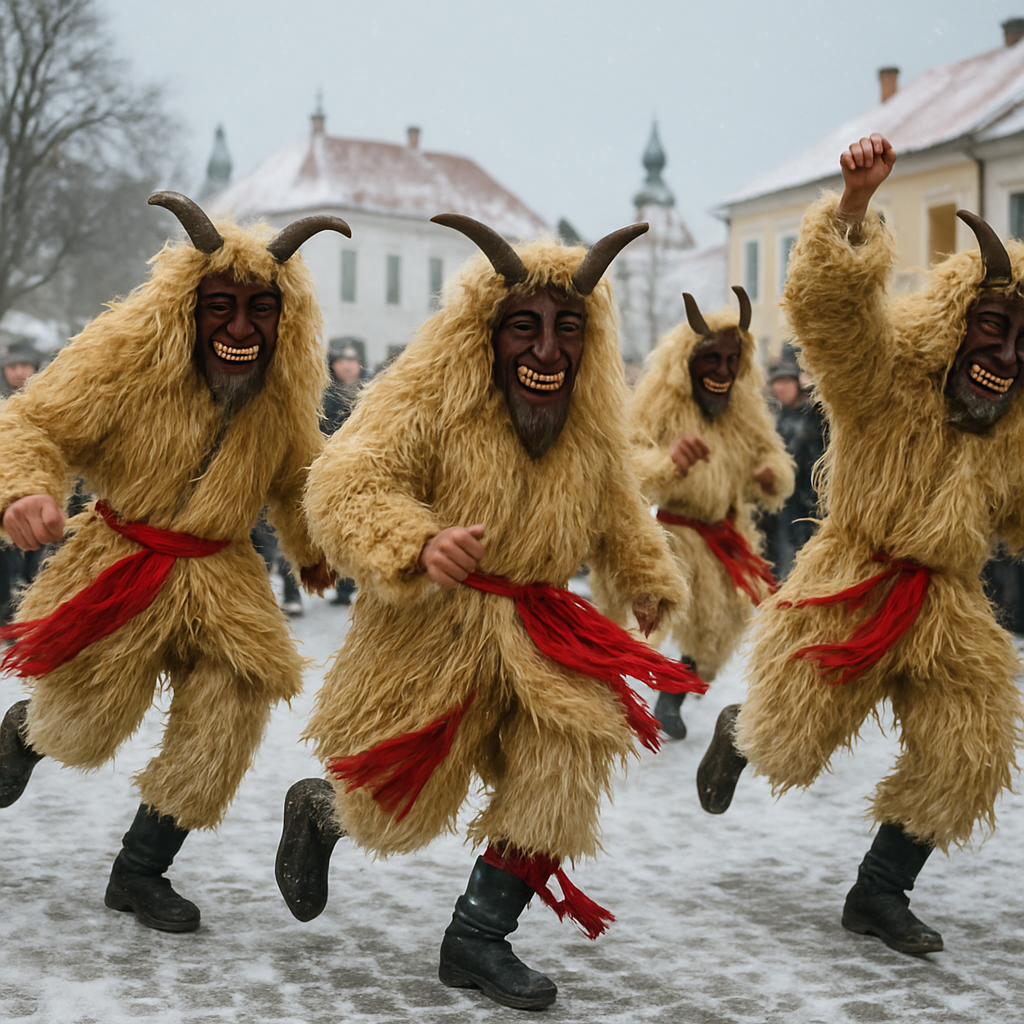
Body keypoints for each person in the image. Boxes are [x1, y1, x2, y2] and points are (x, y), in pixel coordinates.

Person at [275, 215, 705, 1010]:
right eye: (525, 328)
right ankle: (323, 812)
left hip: (543, 628)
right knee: (396, 817)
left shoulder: (590, 416)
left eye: (566, 328)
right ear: (487, 331)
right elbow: (344, 481)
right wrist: (417, 541)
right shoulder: (428, 390)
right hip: (433, 630)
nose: (546, 351)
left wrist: (643, 573)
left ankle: (476, 938)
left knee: (570, 765)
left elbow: (616, 505)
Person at [697, 134, 1024, 957]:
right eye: (994, 328)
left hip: (947, 603)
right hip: (853, 577)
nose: (1006, 358)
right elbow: (832, 314)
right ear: (956, 324)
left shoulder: (1016, 427)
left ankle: (879, 893)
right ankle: (741, 732)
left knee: (972, 752)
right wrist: (850, 210)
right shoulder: (882, 377)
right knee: (789, 745)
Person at [0, 192, 347, 932]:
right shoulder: (125, 354)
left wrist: (312, 546)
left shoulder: (282, 390)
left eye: (261, 310)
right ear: (188, 304)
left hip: (223, 575)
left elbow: (297, 475)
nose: (241, 328)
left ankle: (140, 872)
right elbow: (33, 421)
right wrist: (24, 490)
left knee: (228, 716)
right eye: (222, 306)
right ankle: (29, 733)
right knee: (85, 726)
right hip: (119, 556)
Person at [593, 289, 794, 740]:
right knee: (659, 619)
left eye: (731, 360)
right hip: (676, 533)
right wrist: (671, 463)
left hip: (728, 533)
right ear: (687, 361)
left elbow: (772, 455)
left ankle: (673, 694)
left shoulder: (745, 408)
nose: (722, 372)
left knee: (721, 631)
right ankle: (635, 691)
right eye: (711, 359)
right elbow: (625, 465)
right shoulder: (660, 402)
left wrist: (769, 475)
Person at [759, 341, 826, 580]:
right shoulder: (772, 418)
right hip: (780, 503)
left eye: (786, 381)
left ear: (797, 382)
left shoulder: (816, 415)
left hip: (811, 501)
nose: (781, 388)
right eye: (777, 382)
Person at [0, 338, 45, 623]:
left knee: (35, 558)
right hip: (4, 493)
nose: (18, 372)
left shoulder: (45, 402)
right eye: (12, 366)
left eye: (24, 365)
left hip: (38, 490)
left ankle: (26, 617)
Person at [320, 338, 364, 605]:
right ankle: (293, 592)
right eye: (342, 361)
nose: (347, 366)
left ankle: (346, 589)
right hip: (326, 469)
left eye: (352, 361)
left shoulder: (370, 394)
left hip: (357, 470)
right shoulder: (324, 395)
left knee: (351, 531)